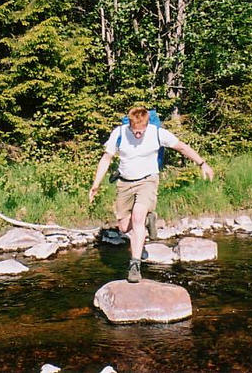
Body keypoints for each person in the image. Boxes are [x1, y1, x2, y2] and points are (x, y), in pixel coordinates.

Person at [88, 106, 214, 283]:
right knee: (124, 227)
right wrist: (96, 184)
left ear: (147, 124)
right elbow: (106, 158)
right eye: (135, 131)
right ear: (130, 124)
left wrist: (202, 163)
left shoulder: (157, 133)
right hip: (124, 182)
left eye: (141, 131)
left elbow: (182, 148)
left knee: (137, 217)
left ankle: (135, 265)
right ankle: (149, 219)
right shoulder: (119, 133)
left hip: (148, 180)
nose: (138, 134)